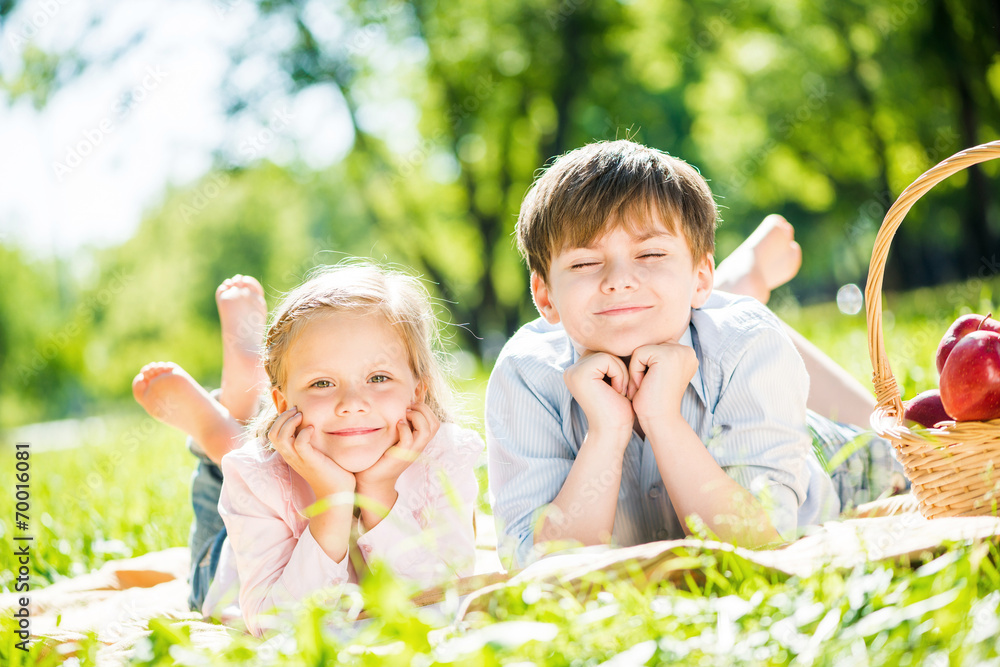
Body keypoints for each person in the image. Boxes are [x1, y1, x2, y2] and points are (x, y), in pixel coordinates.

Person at [486, 140, 902, 570]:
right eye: (585, 263)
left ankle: (737, 283)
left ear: (702, 276)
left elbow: (759, 544)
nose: (618, 280)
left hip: (828, 460)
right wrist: (606, 433)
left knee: (907, 439)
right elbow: (537, 571)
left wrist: (664, 420)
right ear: (544, 296)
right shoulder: (525, 375)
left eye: (649, 254)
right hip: (697, 324)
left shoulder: (747, 344)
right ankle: (739, 278)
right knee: (685, 310)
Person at [132, 264, 482, 635]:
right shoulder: (257, 477)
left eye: (378, 378)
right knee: (232, 470)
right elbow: (275, 625)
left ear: (418, 390)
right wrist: (332, 502)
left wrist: (379, 492)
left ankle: (232, 416)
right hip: (232, 558)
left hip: (276, 463)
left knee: (238, 455)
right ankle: (217, 431)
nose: (352, 402)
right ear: (283, 403)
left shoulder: (443, 459)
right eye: (322, 382)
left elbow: (444, 601)